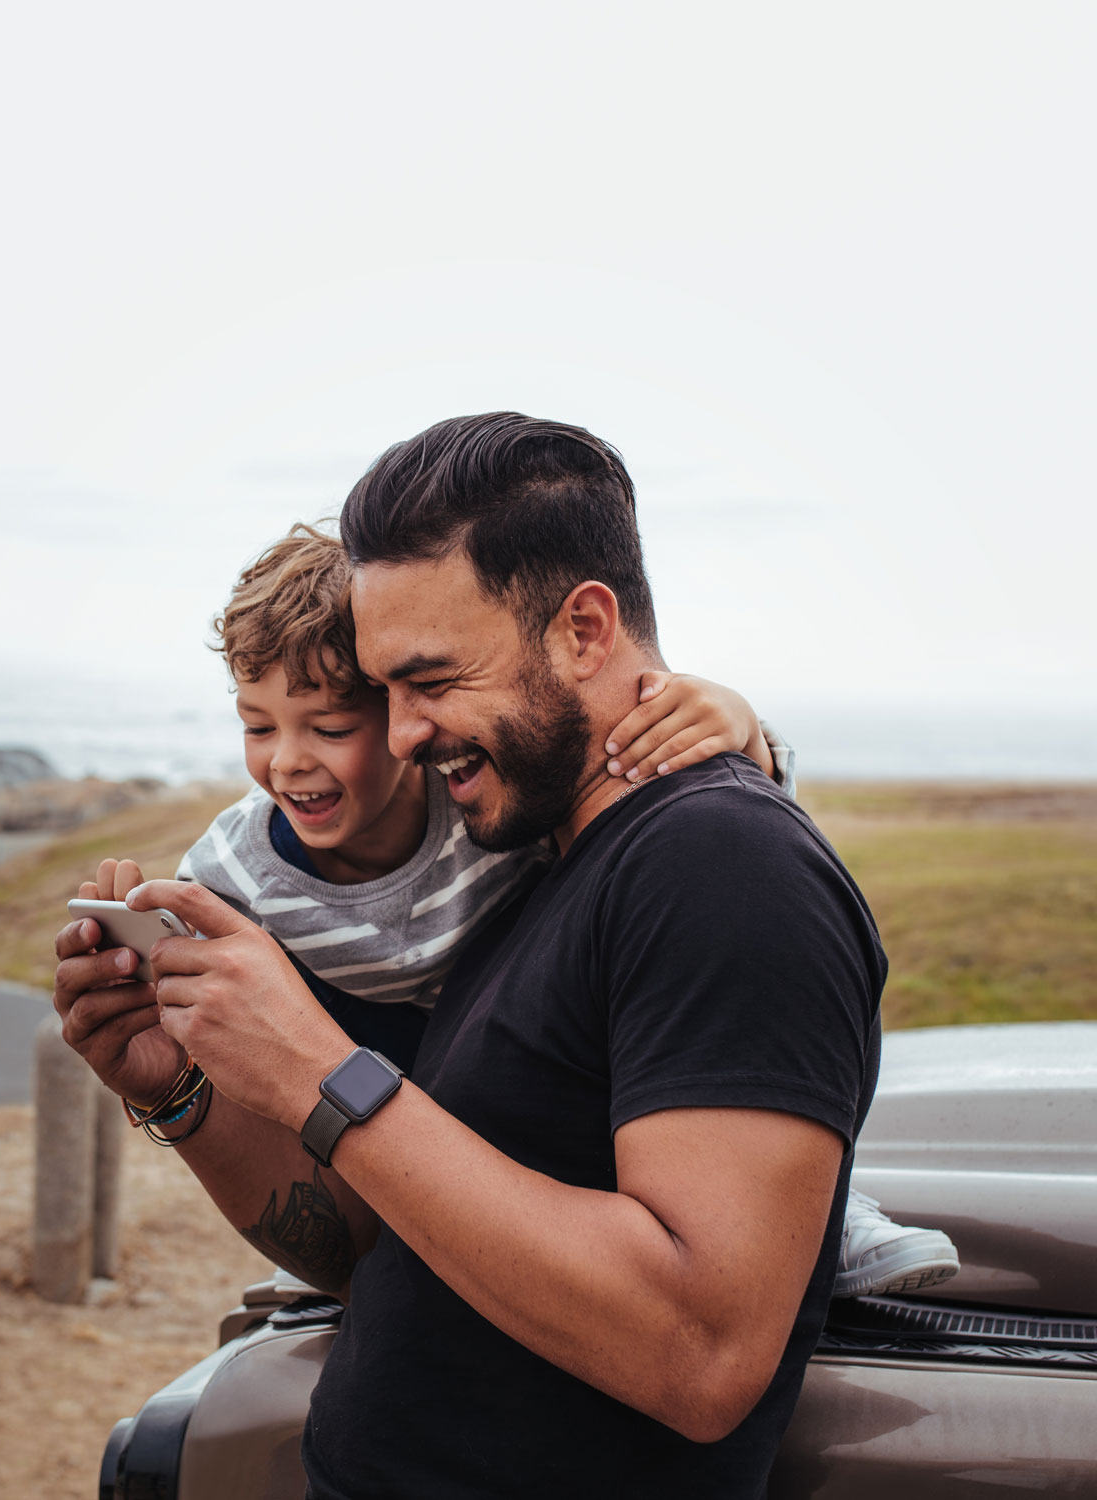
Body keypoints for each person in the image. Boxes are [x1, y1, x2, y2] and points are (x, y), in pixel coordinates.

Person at [51, 413, 897, 1497]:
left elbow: (700, 1351)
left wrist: (320, 1070)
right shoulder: (538, 860)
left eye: (431, 680)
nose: (400, 734)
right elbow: (381, 1245)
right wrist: (182, 1099)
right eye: (384, 692)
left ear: (584, 631)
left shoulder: (719, 861)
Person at [139, 520, 954, 1300]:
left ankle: (810, 1219)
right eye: (256, 727)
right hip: (398, 1096)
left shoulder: (481, 798)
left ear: (400, 712)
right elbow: (200, 986)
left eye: (328, 726)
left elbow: (692, 813)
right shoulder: (234, 874)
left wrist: (741, 730)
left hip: (551, 1066)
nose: (287, 761)